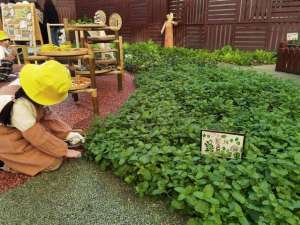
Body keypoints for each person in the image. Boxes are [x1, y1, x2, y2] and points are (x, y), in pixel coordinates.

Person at [0, 60, 84, 176]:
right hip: (5, 136)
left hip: (20, 129)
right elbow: (37, 136)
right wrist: (63, 150)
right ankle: (4, 161)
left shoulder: (31, 85)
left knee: (50, 146)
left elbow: (48, 116)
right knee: (53, 162)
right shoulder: (19, 106)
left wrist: (66, 134)